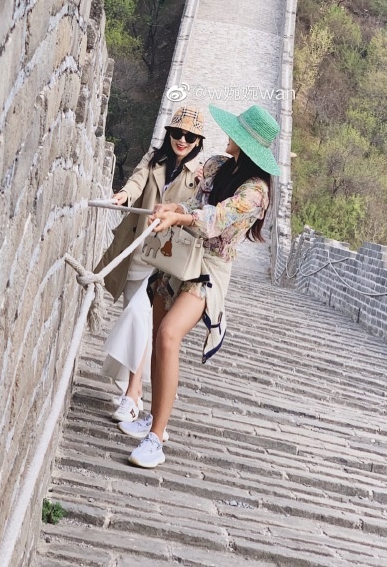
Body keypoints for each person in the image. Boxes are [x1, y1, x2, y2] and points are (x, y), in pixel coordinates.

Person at [118, 104, 280, 468]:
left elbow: (216, 219)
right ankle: (153, 416)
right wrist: (169, 208)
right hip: (180, 256)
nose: (228, 135)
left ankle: (156, 439)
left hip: (208, 270)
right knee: (159, 336)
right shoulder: (217, 166)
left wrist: (181, 215)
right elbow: (192, 201)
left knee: (169, 336)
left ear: (245, 142)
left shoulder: (256, 192)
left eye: (235, 131)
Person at [97, 107, 205, 423]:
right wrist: (123, 196)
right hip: (136, 252)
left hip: (164, 262)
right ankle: (132, 392)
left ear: (198, 140)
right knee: (137, 319)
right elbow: (136, 181)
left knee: (140, 316)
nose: (182, 140)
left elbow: (198, 211)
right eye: (177, 133)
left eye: (189, 136)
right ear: (169, 134)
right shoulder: (153, 159)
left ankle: (133, 393)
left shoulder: (198, 176)